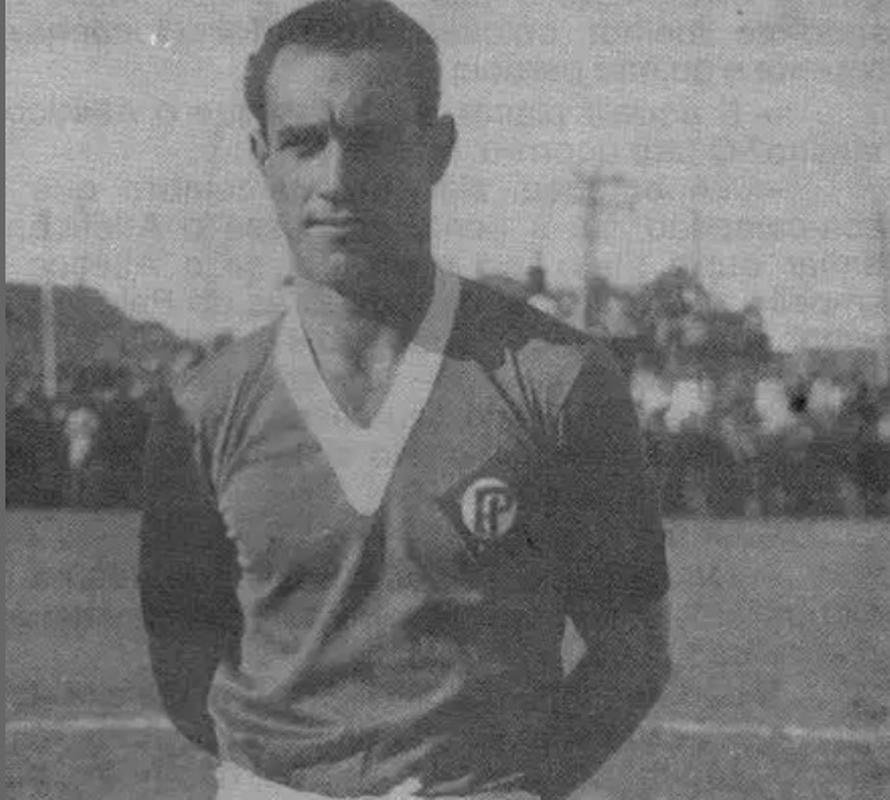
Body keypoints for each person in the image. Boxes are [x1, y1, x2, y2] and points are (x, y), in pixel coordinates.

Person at [138, 3, 671, 799]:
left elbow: (633, 650)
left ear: (438, 149)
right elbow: (182, 660)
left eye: (372, 139)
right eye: (303, 142)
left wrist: (518, 786)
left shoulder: (556, 379)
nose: (336, 179)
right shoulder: (203, 406)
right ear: (261, 156)